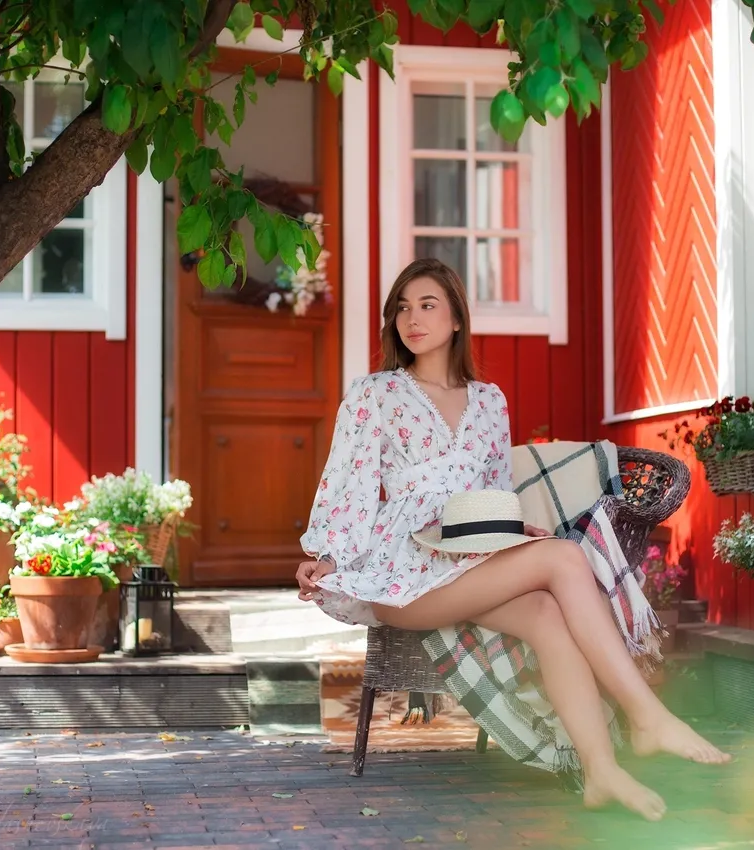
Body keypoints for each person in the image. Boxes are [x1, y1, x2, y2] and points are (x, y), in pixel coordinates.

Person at [295, 258, 730, 821]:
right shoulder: (375, 393)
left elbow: (493, 491)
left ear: (456, 318)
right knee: (565, 556)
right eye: (401, 308)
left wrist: (512, 530)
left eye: (427, 305)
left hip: (468, 555)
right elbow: (347, 480)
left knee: (549, 612)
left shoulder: (489, 401)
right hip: (404, 574)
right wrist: (326, 555)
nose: (412, 318)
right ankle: (646, 715)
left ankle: (599, 769)